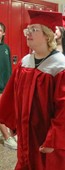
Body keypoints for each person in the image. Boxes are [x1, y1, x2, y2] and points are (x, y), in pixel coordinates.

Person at [0, 10, 65, 170]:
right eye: (28, 30)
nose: (28, 33)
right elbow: (13, 96)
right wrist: (14, 123)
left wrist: (54, 139)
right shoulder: (25, 63)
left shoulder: (60, 67)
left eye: (34, 30)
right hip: (27, 135)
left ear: (48, 35)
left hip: (47, 139)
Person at [0, 22, 17, 150]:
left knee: (9, 109)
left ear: (3, 33)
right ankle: (6, 138)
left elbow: (9, 66)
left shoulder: (6, 48)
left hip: (6, 85)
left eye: (0, 30)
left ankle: (11, 132)